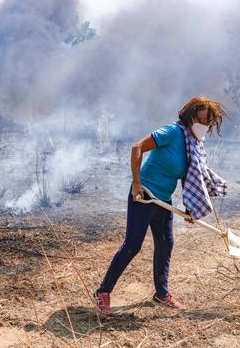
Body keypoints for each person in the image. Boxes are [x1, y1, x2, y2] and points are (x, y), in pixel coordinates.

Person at [93, 96, 227, 316]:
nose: (205, 126)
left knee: (165, 244)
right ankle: (103, 292)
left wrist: (190, 209)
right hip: (144, 195)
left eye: (209, 123)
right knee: (132, 245)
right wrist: (136, 184)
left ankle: (161, 294)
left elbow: (190, 178)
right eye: (202, 120)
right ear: (191, 116)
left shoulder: (192, 143)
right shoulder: (173, 132)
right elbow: (137, 148)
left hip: (163, 200)